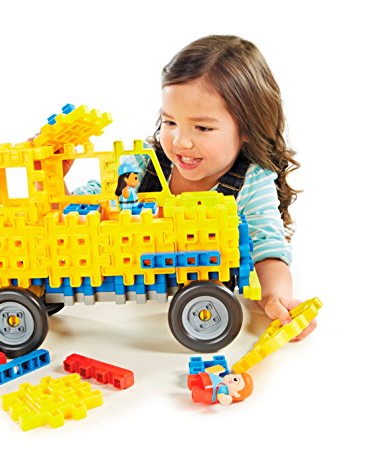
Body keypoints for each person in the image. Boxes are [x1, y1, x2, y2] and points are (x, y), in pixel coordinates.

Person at [73, 35, 316, 340]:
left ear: (248, 129)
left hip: (201, 311)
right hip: (126, 315)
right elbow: (80, 205)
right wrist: (50, 179)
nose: (180, 142)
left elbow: (267, 251)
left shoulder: (251, 182)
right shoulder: (141, 167)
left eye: (202, 127)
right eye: (170, 122)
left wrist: (275, 297)